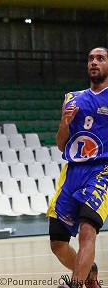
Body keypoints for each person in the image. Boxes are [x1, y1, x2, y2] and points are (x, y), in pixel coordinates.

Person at [47, 47, 108, 288]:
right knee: (57, 242)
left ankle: (74, 285)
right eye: (91, 59)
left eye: (101, 59)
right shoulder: (72, 98)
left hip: (102, 170)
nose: (94, 62)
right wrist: (65, 123)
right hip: (72, 171)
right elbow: (61, 144)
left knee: (87, 230)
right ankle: (88, 271)